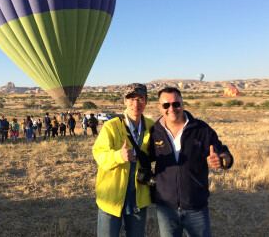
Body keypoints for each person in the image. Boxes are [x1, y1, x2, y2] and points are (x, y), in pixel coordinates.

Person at [150, 87, 234, 237]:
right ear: (159, 107)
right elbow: (145, 158)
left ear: (182, 103)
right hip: (166, 208)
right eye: (166, 105)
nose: (172, 109)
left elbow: (225, 154)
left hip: (196, 207)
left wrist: (221, 161)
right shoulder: (155, 131)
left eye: (176, 104)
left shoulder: (201, 129)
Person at [93, 83, 154, 237]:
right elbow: (99, 155)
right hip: (111, 198)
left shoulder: (152, 127)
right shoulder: (111, 127)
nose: (136, 104)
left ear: (146, 101)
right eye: (131, 99)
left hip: (138, 199)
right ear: (124, 101)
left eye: (140, 99)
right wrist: (118, 156)